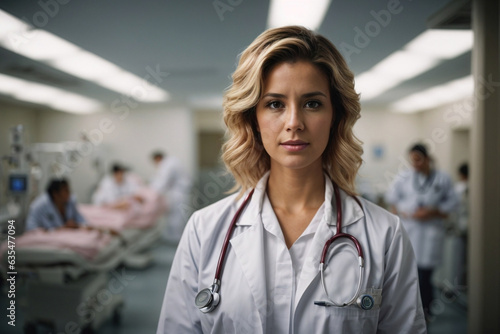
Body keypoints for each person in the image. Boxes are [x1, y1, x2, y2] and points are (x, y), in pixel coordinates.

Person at [157, 26, 426, 333]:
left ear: (335, 116)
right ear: (253, 119)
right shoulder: (204, 231)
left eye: (312, 103)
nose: (294, 123)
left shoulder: (384, 234)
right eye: (275, 104)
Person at [385, 143, 458, 319]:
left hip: (431, 231)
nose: (414, 163)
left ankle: (425, 311)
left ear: (426, 158)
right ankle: (414, 311)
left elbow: (453, 203)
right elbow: (391, 199)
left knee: (425, 275)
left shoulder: (442, 178)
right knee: (411, 273)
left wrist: (434, 211)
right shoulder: (404, 177)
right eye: (412, 160)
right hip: (410, 229)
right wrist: (403, 213)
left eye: (418, 159)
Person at [150, 151, 192, 243]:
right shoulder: (172, 161)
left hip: (178, 194)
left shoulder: (167, 164)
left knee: (177, 216)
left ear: (157, 158)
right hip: (178, 193)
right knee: (176, 215)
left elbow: (162, 182)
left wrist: (150, 193)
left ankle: (177, 239)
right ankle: (176, 237)